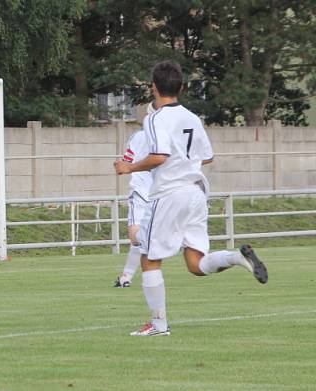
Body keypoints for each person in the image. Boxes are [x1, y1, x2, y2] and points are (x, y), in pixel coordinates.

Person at [113, 61, 268, 336]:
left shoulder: (155, 118)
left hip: (170, 192)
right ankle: (236, 258)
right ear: (181, 87)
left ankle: (158, 325)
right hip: (196, 192)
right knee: (196, 264)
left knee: (149, 258)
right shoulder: (192, 117)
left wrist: (130, 167)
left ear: (153, 87)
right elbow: (207, 157)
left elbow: (160, 156)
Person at [114, 102, 156, 288]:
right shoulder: (170, 136)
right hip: (152, 191)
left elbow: (127, 162)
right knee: (137, 240)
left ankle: (160, 238)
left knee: (136, 237)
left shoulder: (138, 137)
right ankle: (126, 277)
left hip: (147, 191)